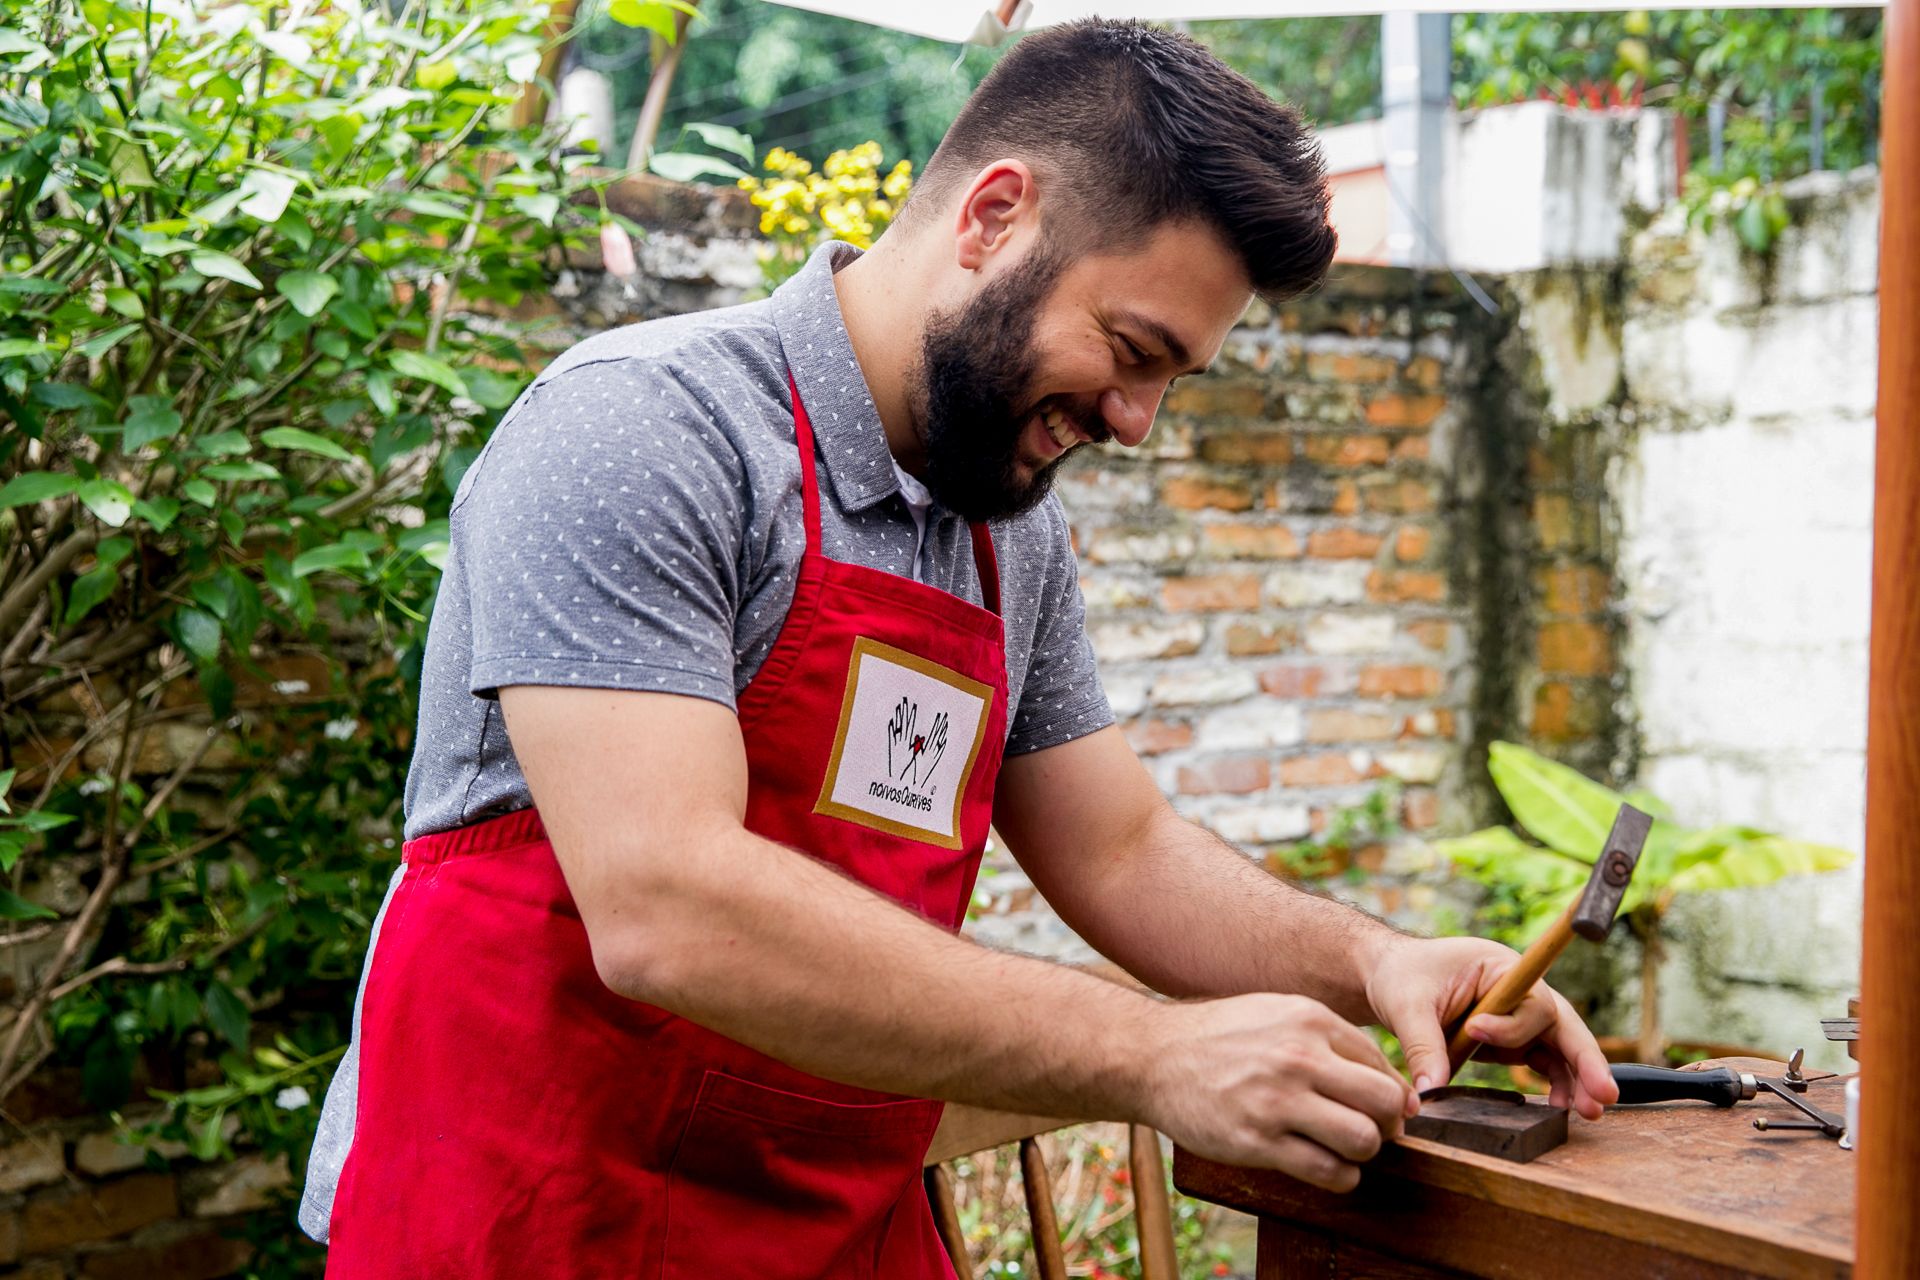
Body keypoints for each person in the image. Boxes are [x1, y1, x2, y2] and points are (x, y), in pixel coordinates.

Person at [299, 18, 1618, 1277]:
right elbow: (666, 904)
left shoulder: (1008, 535)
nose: (1139, 420)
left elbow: (1121, 850)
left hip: (827, 1231)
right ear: (994, 216)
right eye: (1133, 348)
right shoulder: (644, 434)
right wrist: (1154, 1054)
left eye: (1176, 378)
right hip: (534, 1223)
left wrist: (1372, 959)